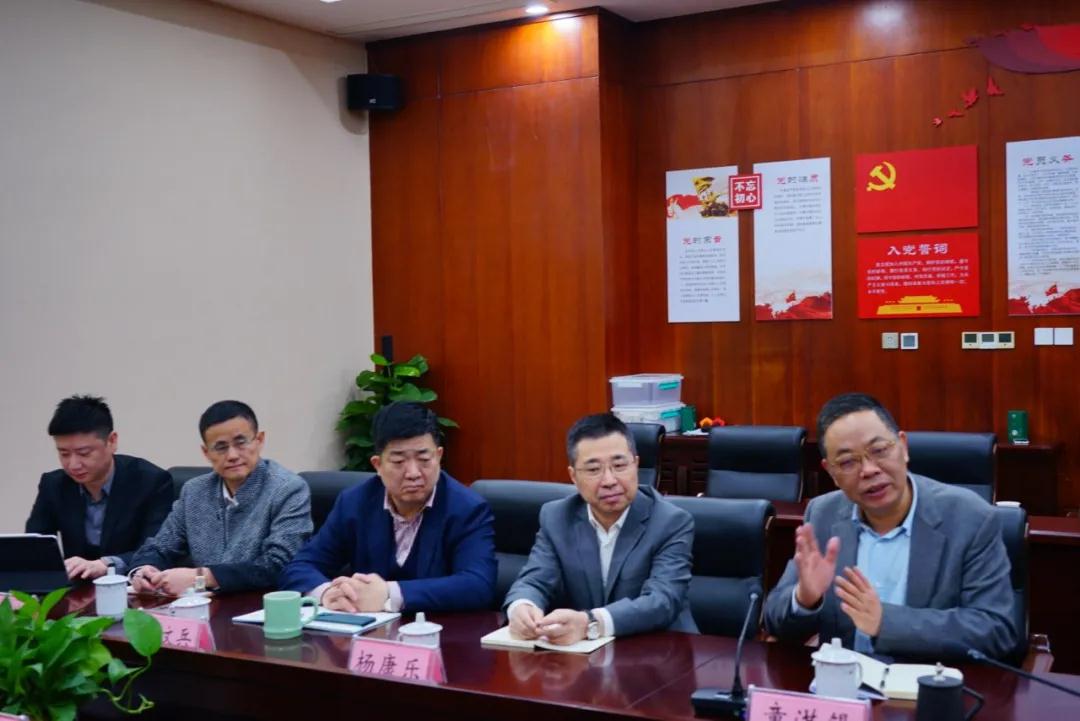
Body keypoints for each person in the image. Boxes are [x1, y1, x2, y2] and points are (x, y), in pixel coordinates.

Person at [764, 392, 1017, 660]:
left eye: (879, 451)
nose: (869, 470)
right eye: (848, 462)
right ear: (832, 473)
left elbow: (996, 630)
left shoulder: (971, 518)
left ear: (903, 447)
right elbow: (775, 620)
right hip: (843, 681)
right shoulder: (823, 514)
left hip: (927, 681)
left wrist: (886, 622)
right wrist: (805, 600)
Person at [280, 402, 496, 612]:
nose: (413, 473)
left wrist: (389, 593)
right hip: (367, 632)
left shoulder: (466, 508)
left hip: (440, 631)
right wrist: (327, 593)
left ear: (439, 456)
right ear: (378, 465)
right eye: (399, 462)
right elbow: (300, 566)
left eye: (424, 459)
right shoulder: (355, 503)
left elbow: (478, 584)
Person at [504, 413, 696, 645]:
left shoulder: (671, 522)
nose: (609, 480)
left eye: (619, 466)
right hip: (585, 655)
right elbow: (534, 580)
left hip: (659, 650)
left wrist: (590, 623)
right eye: (594, 470)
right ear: (573, 476)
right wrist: (522, 607)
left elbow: (662, 601)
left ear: (636, 465)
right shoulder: (557, 517)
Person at [130, 400, 311, 595]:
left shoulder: (287, 489)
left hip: (264, 603)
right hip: (203, 605)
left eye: (241, 442)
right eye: (220, 447)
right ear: (206, 452)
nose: (232, 455)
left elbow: (279, 564)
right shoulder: (194, 491)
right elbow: (160, 546)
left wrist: (202, 577)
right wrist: (143, 571)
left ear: (259, 440)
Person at [25, 395, 173, 580]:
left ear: (111, 441)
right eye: (64, 454)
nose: (73, 465)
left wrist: (106, 564)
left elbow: (158, 550)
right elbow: (34, 547)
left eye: (84, 453)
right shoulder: (53, 484)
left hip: (130, 586)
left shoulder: (151, 481)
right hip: (76, 587)